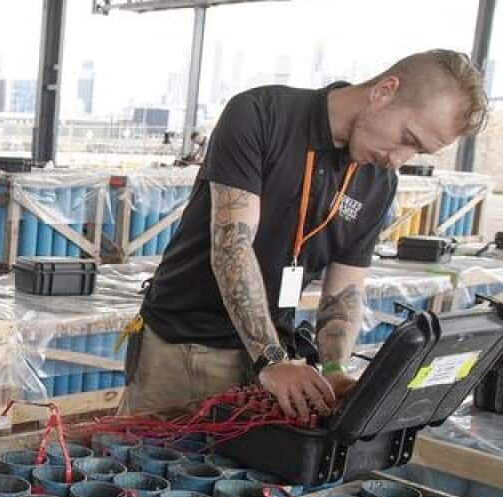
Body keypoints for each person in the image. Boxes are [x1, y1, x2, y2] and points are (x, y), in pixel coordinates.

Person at [121, 50, 487, 418]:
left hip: (275, 363)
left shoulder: (379, 181)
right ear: (385, 90)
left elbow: (344, 290)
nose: (399, 159)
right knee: (147, 463)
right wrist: (272, 358)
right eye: (407, 137)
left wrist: (332, 369)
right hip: (185, 345)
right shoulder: (262, 115)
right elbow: (232, 245)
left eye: (418, 151)